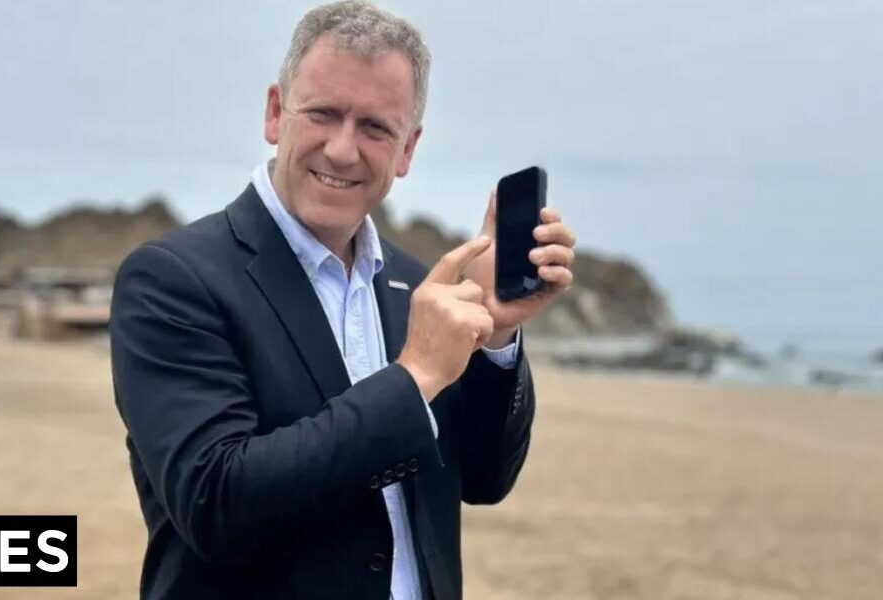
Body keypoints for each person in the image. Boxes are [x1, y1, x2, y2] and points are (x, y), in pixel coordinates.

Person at [109, 2, 576, 598]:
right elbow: (215, 504)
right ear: (275, 112)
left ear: (407, 150)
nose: (342, 150)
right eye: (323, 114)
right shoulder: (173, 278)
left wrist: (497, 335)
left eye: (376, 127)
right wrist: (415, 377)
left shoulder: (417, 287)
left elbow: (484, 480)